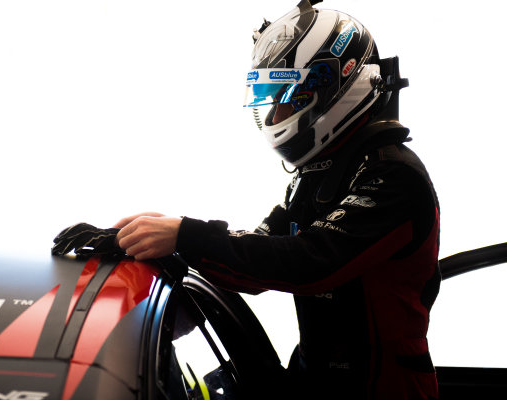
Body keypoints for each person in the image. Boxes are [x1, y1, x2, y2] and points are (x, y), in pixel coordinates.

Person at [114, 1, 441, 399]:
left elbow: (307, 263)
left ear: (333, 84)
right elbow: (261, 248)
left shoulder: (394, 176)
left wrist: (187, 235)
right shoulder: (321, 170)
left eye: (288, 95)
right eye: (271, 97)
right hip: (315, 378)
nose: (275, 113)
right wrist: (165, 243)